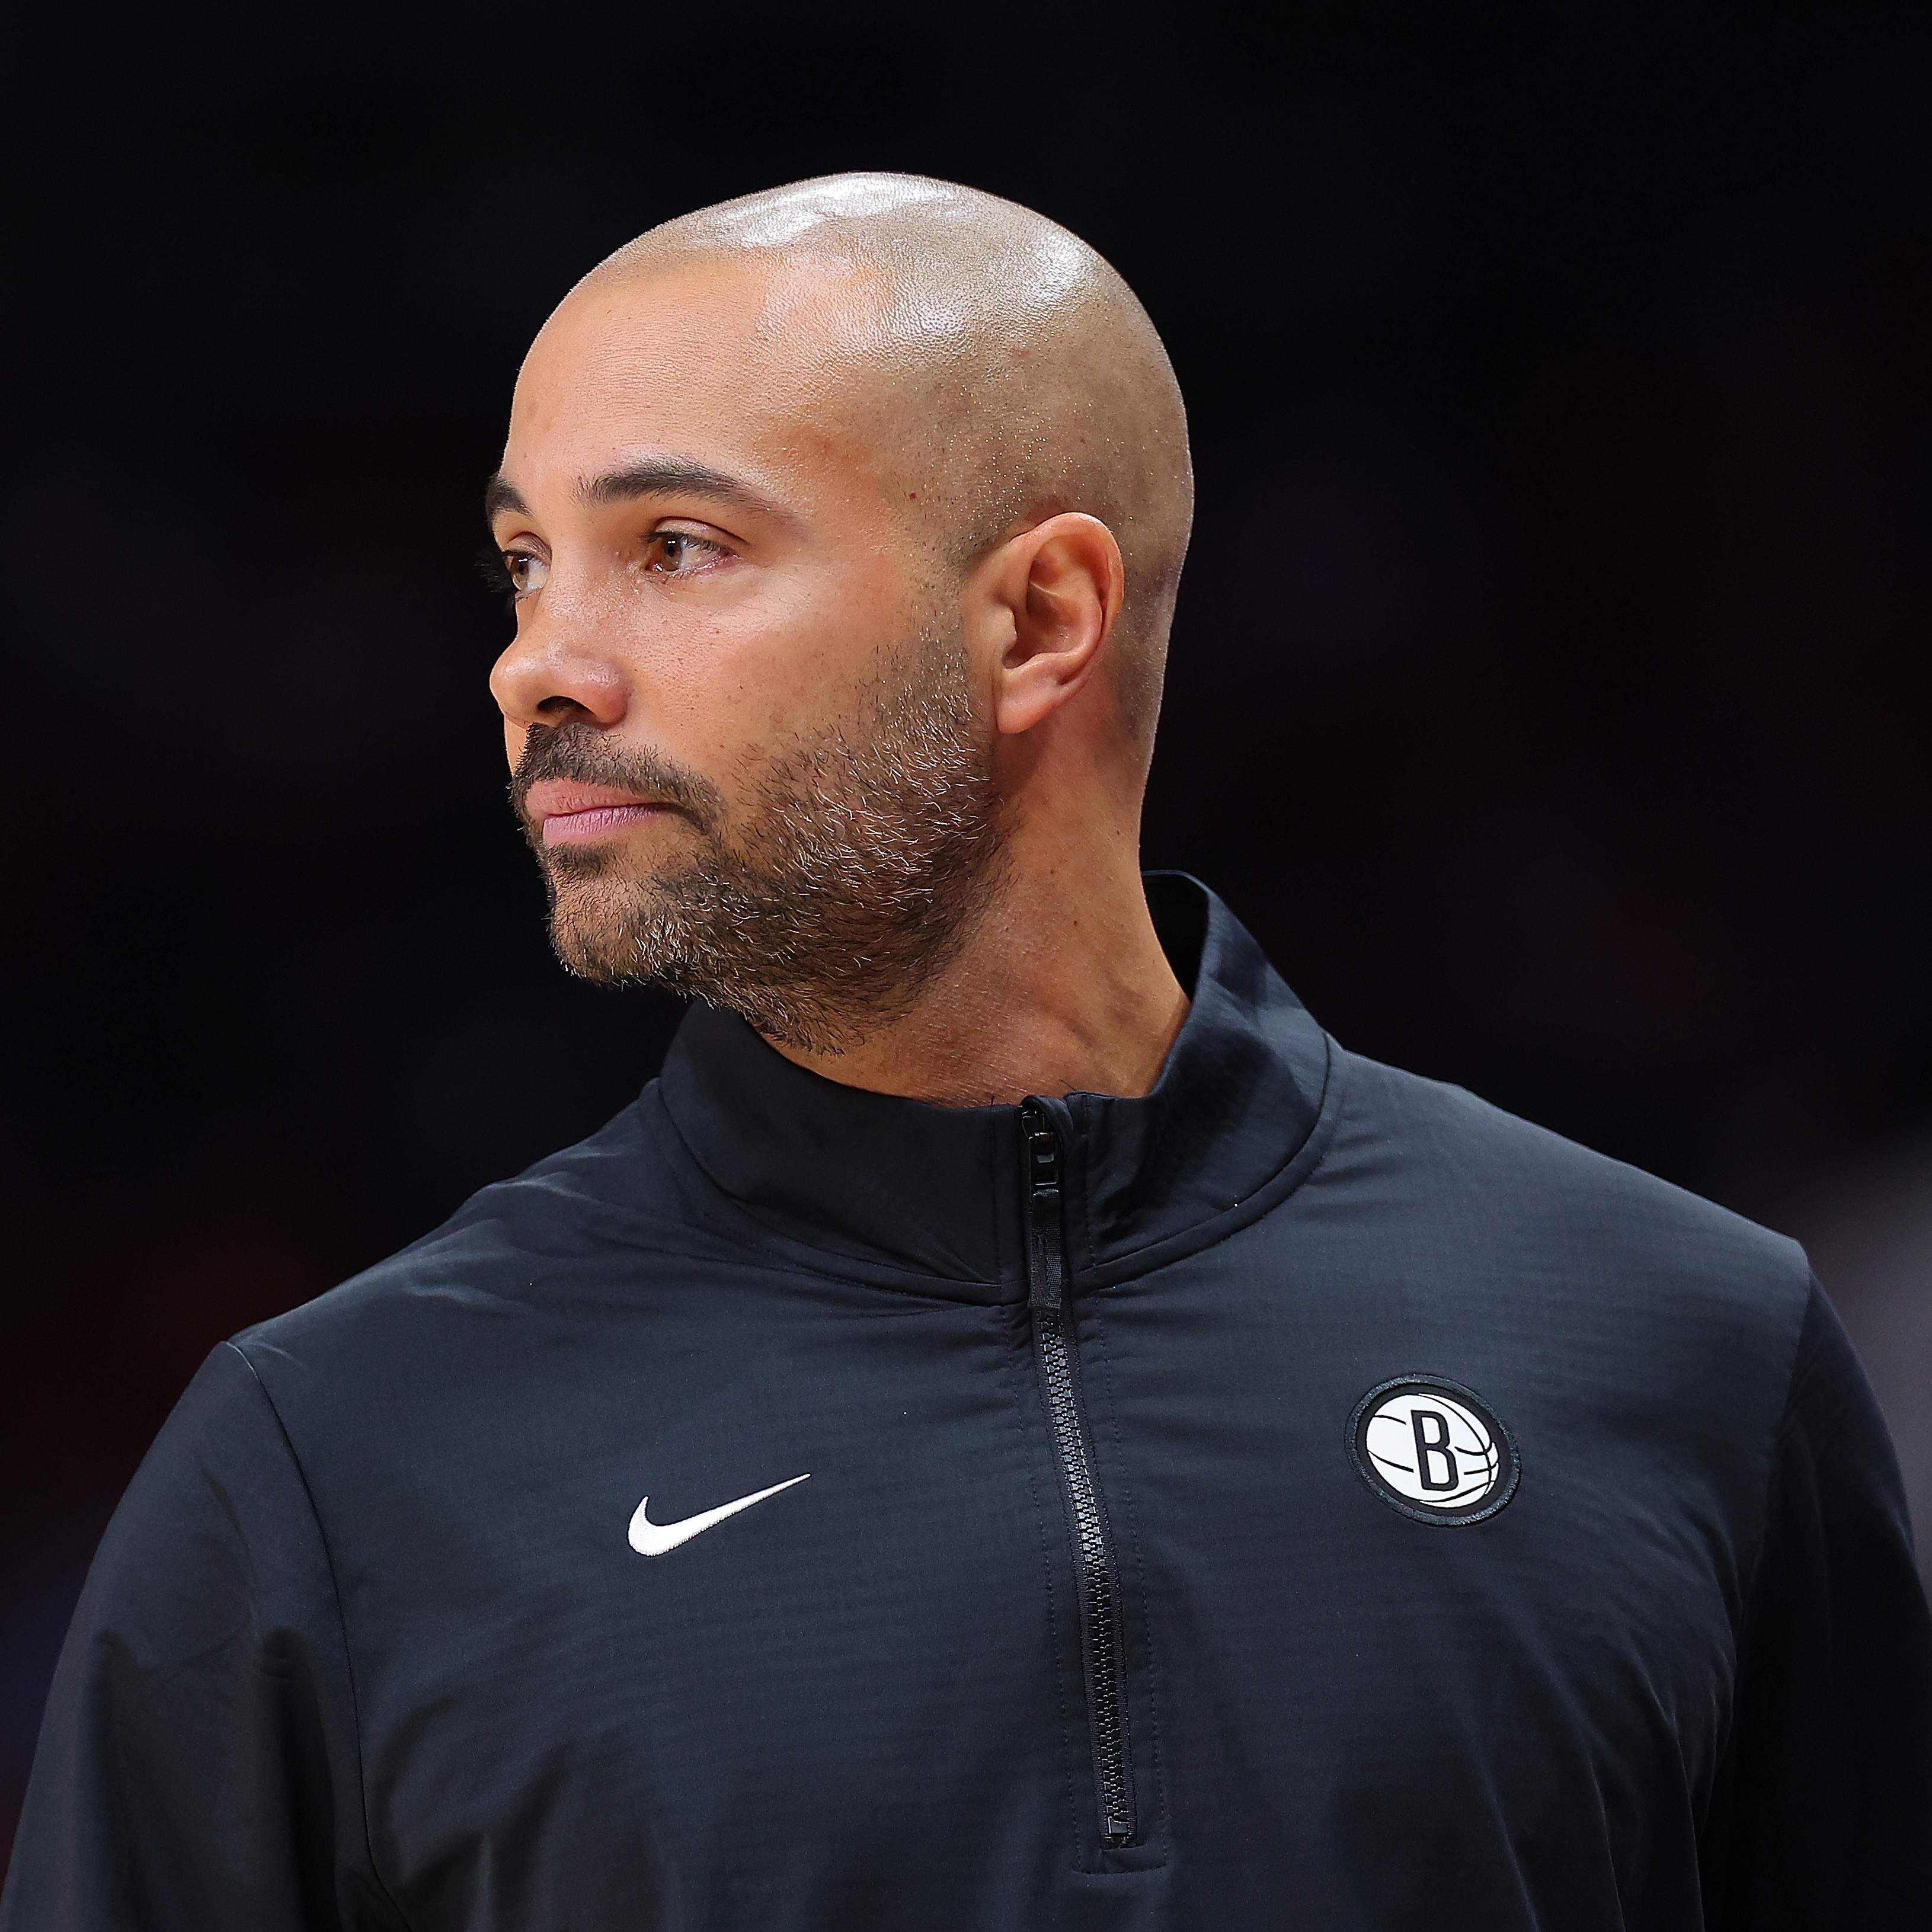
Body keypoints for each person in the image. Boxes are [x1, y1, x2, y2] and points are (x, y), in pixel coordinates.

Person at [4, 172, 1928, 1931]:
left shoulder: (1680, 1344)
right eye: (526, 563)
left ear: (1039, 616)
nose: (541, 663)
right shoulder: (331, 1460)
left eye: (673, 545)